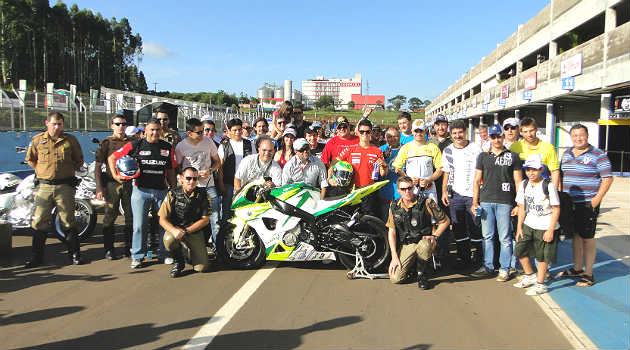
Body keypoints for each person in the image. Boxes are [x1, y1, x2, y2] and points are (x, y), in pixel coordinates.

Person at [109, 118, 177, 269]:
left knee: (164, 224)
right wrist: (115, 175)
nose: (155, 132)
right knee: (139, 225)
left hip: (162, 191)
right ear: (145, 130)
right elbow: (112, 157)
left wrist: (173, 189)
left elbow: (171, 170)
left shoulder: (167, 147)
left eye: (157, 130)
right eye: (152, 129)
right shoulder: (135, 144)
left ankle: (164, 254)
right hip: (140, 191)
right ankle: (138, 256)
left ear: (161, 131)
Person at [24, 112, 85, 267]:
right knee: (39, 221)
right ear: (47, 123)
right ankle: (36, 257)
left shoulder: (70, 140)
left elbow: (79, 160)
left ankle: (75, 255)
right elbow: (30, 159)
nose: (57, 127)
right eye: (54, 124)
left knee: (68, 220)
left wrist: (67, 170)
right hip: (44, 187)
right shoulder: (38, 140)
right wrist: (42, 170)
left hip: (64, 186)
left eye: (60, 124)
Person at [556, 124, 613, 287]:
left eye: (581, 135)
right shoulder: (567, 154)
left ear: (587, 136)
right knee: (575, 235)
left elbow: (607, 179)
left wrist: (596, 199)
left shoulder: (598, 155)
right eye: (574, 135)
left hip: (587, 203)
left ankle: (588, 273)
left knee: (587, 238)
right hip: (569, 202)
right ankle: (577, 267)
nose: (578, 138)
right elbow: (561, 175)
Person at [471, 124, 523, 280]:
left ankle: (505, 268)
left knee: (505, 237)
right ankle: (488, 266)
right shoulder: (483, 156)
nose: (496, 140)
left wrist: (519, 204)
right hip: (486, 201)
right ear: (489, 138)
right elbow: (476, 180)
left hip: (505, 202)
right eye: (493, 137)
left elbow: (519, 182)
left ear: (503, 136)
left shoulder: (513, 156)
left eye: (499, 136)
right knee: (487, 236)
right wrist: (475, 202)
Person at [387, 176, 450, 289]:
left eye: (410, 188)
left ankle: (423, 276)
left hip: (423, 241)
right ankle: (413, 266)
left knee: (425, 245)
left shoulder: (426, 202)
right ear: (398, 190)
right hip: (407, 244)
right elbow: (391, 231)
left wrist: (435, 237)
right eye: (403, 189)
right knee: (395, 278)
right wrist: (394, 256)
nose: (407, 191)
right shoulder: (394, 206)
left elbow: (445, 221)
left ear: (413, 188)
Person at [513, 154, 560, 295]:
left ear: (541, 169)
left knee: (542, 256)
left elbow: (556, 208)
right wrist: (519, 227)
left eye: (534, 169)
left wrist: (551, 229)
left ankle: (540, 284)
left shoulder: (548, 185)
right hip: (529, 222)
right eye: (528, 170)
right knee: (520, 250)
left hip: (545, 223)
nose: (530, 173)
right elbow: (521, 206)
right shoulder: (524, 184)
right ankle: (529, 275)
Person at [440, 120, 483, 270]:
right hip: (455, 195)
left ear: (465, 132)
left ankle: (478, 257)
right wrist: (444, 191)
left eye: (460, 132)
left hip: (473, 195)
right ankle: (463, 257)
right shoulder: (448, 150)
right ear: (450, 135)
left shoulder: (476, 148)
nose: (458, 136)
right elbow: (446, 172)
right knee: (458, 228)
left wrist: (477, 197)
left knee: (476, 227)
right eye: (454, 133)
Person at [175, 118, 221, 245]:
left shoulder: (208, 142)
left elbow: (218, 161)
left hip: (208, 184)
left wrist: (210, 171)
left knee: (215, 217)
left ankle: (218, 249)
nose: (203, 135)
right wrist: (187, 177)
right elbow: (177, 167)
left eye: (203, 131)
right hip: (190, 187)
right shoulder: (181, 146)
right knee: (190, 219)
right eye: (199, 132)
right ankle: (189, 248)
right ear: (189, 133)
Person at [158, 167, 210, 278]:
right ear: (181, 179)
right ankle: (178, 261)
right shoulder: (172, 194)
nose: (191, 181)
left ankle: (189, 253)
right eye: (188, 178)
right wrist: (174, 230)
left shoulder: (203, 194)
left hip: (193, 231)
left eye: (195, 179)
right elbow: (162, 219)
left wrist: (186, 231)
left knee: (202, 268)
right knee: (169, 239)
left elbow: (205, 220)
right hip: (176, 230)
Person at [94, 114, 133, 260]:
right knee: (110, 216)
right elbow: (98, 167)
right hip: (112, 183)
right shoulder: (106, 143)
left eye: (123, 124)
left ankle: (128, 247)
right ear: (112, 126)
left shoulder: (133, 142)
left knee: (130, 216)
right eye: (117, 124)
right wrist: (99, 187)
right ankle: (109, 249)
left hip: (130, 184)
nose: (121, 127)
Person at [334, 119, 387, 213]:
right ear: (358, 132)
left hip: (369, 191)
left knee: (367, 221)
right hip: (352, 191)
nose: (365, 134)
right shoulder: (350, 149)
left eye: (367, 132)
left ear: (371, 132)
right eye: (362, 132)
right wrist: (331, 179)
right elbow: (334, 162)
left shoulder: (377, 151)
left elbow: (382, 174)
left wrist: (384, 166)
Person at [392, 119, 443, 203]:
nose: (418, 133)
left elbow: (440, 169)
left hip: (429, 188)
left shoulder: (433, 147)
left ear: (425, 131)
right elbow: (397, 168)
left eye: (421, 131)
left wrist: (429, 180)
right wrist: (409, 180)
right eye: (416, 131)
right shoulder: (406, 148)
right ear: (412, 131)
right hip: (411, 189)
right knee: (413, 213)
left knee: (432, 213)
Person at [217, 118, 255, 220]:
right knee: (227, 211)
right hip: (229, 183)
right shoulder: (223, 146)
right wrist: (221, 184)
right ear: (229, 131)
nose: (238, 132)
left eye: (239, 129)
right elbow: (220, 168)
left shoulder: (250, 144)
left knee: (245, 212)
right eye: (234, 130)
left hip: (246, 183)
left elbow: (254, 162)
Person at [510, 117, 560, 188]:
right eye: (525, 132)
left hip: (542, 192)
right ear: (521, 132)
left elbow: (554, 172)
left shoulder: (548, 148)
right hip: (521, 192)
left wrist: (553, 192)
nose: (529, 134)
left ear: (536, 129)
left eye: (531, 130)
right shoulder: (515, 147)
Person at [377, 126, 401, 222]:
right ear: (385, 138)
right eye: (389, 136)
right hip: (386, 192)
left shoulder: (405, 149)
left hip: (401, 192)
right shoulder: (380, 150)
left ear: (399, 136)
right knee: (386, 221)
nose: (392, 139)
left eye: (395, 136)